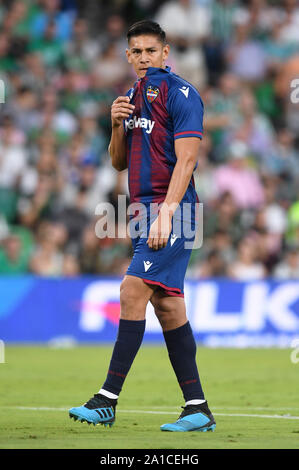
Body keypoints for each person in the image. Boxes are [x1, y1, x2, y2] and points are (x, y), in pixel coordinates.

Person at [69, 20, 216, 433]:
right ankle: (197, 408)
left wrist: (167, 213)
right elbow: (119, 161)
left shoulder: (182, 94)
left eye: (152, 50)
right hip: (140, 210)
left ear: (165, 54)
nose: (145, 57)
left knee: (132, 289)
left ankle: (106, 399)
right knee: (168, 307)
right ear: (128, 56)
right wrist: (115, 125)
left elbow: (187, 160)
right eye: (137, 51)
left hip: (174, 210)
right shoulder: (131, 97)